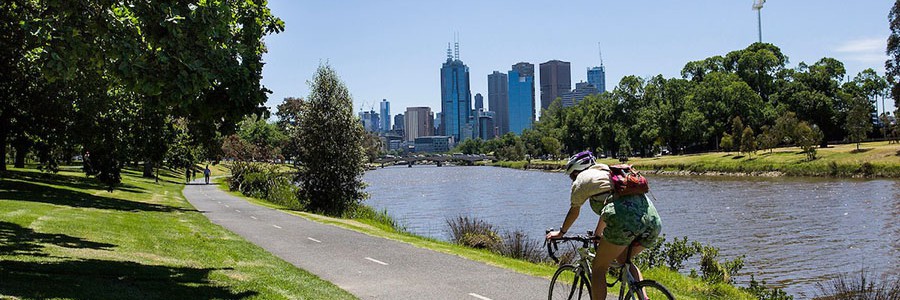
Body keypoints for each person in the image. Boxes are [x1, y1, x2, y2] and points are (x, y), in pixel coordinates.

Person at [546, 151, 662, 300]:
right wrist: (598, 233)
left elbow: (574, 212)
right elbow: (610, 205)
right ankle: (643, 297)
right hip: (652, 220)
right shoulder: (610, 172)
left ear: (576, 171)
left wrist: (561, 233)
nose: (572, 179)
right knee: (622, 259)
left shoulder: (581, 181)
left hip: (624, 221)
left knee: (599, 268)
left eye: (571, 175)